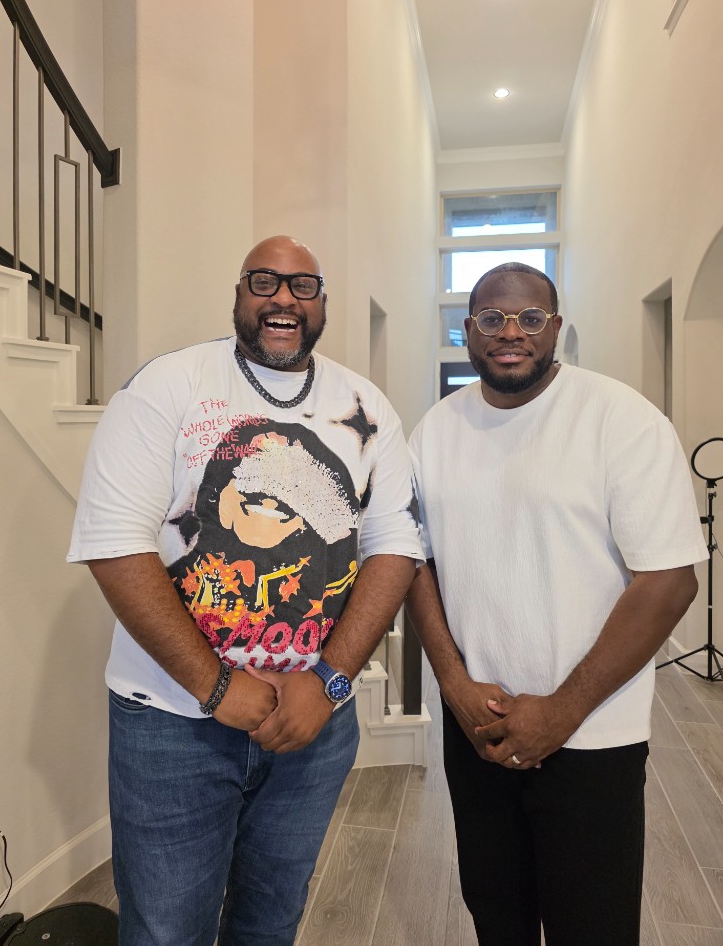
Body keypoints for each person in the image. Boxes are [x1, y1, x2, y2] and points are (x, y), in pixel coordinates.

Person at [68, 235, 422, 946]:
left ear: (322, 304)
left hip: (312, 727)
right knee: (167, 931)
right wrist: (215, 684)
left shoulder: (367, 405)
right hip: (171, 723)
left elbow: (397, 548)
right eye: (265, 281)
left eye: (303, 286)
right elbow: (115, 543)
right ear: (239, 293)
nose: (283, 298)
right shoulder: (170, 386)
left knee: (272, 919)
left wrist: (327, 683)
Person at [406, 262, 707, 946]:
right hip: (476, 726)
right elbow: (414, 562)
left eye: (530, 318)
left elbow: (669, 580)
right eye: (492, 318)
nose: (511, 333)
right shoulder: (434, 431)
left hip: (592, 735)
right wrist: (454, 685)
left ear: (557, 328)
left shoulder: (620, 418)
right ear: (467, 331)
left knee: (591, 925)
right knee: (496, 916)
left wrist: (561, 712)